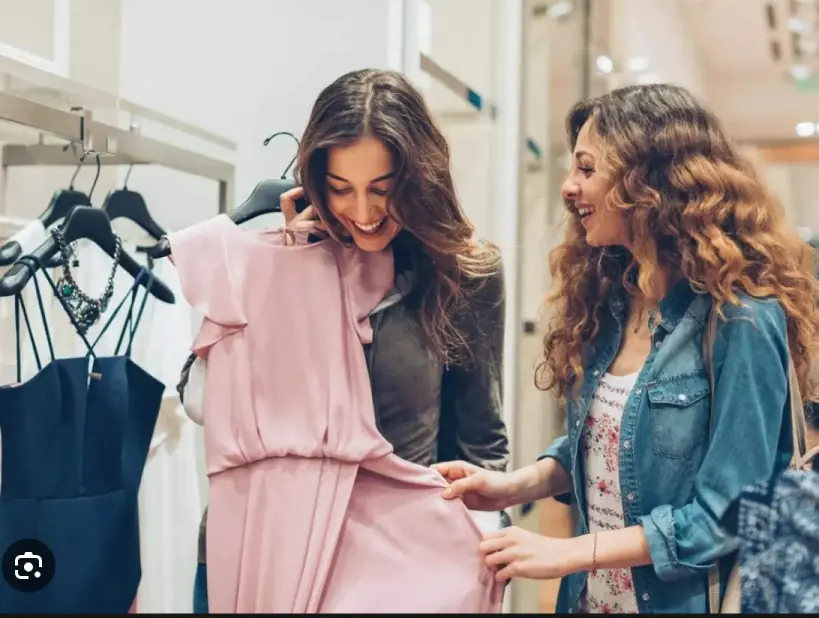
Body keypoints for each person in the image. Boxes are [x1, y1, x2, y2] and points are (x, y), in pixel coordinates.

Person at [434, 83, 819, 614]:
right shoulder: (614, 301)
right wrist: (512, 486)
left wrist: (569, 553)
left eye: (587, 169)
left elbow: (724, 517)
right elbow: (612, 445)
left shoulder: (743, 319)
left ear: (651, 181)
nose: (569, 187)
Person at [188, 68, 509, 612]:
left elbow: (481, 441)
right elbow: (202, 400)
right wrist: (289, 272)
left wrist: (477, 564)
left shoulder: (464, 272)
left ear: (419, 178)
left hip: (395, 567)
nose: (362, 213)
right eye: (340, 189)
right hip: (260, 548)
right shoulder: (274, 257)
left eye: (383, 191)